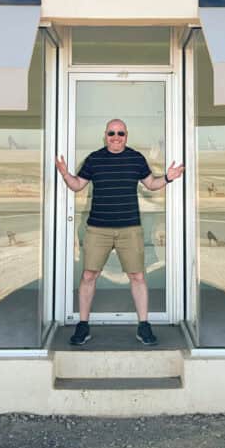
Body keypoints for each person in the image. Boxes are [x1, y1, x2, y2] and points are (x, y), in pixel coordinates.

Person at [55, 118, 184, 347]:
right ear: (105, 135)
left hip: (130, 229)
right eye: (111, 133)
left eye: (120, 133)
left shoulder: (136, 158)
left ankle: (144, 326)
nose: (116, 137)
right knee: (88, 276)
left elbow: (151, 184)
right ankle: (83, 326)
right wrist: (65, 173)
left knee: (138, 277)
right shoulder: (94, 159)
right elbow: (77, 185)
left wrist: (167, 177)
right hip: (98, 229)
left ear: (127, 135)